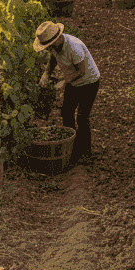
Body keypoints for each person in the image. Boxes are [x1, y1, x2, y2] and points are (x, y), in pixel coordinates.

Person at [34, 20, 101, 165]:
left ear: (57, 38)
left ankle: (84, 151)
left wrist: (64, 82)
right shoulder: (55, 47)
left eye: (49, 46)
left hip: (88, 82)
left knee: (82, 117)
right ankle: (71, 145)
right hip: (73, 81)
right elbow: (53, 58)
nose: (48, 48)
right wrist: (46, 73)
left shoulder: (73, 47)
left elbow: (82, 71)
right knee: (66, 112)